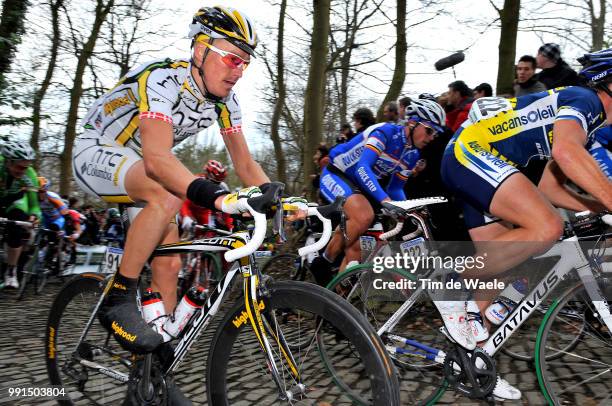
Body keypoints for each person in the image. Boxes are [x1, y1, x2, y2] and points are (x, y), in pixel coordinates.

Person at [71, 8, 271, 402]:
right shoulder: (162, 77)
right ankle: (118, 297)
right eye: (232, 58)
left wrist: (285, 201)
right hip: (98, 150)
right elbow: (159, 160)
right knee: (166, 194)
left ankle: (147, 377)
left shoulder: (225, 101)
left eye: (245, 63)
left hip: (140, 169)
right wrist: (214, 195)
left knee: (171, 264)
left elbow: (246, 164)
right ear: (200, 50)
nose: (238, 70)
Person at [439, 49, 612, 401]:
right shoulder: (584, 100)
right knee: (547, 228)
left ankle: (475, 361)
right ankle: (448, 283)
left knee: (504, 267)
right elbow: (566, 154)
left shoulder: (585, 127)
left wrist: (598, 207)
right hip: (472, 152)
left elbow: (549, 187)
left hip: (483, 163)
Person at [315, 99, 446, 284]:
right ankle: (322, 262)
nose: (431, 137)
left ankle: (336, 296)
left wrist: (409, 209)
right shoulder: (385, 132)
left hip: (360, 185)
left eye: (436, 134)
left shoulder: (412, 154)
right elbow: (363, 168)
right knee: (363, 216)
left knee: (363, 247)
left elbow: (396, 188)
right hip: (336, 173)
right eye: (429, 130)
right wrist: (385, 200)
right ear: (412, 122)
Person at [0, 141, 40, 288]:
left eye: (26, 167)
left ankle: (11, 270)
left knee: (16, 227)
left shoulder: (30, 175)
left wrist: (34, 216)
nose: (23, 171)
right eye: (19, 167)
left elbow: (34, 205)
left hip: (14, 201)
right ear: (9, 161)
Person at [179, 160, 233, 237]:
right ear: (207, 175)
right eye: (213, 182)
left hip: (205, 211)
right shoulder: (196, 179)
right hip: (189, 206)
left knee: (207, 234)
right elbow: (183, 201)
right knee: (179, 226)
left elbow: (226, 208)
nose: (215, 185)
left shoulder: (222, 186)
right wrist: (185, 216)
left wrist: (230, 226)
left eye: (218, 183)